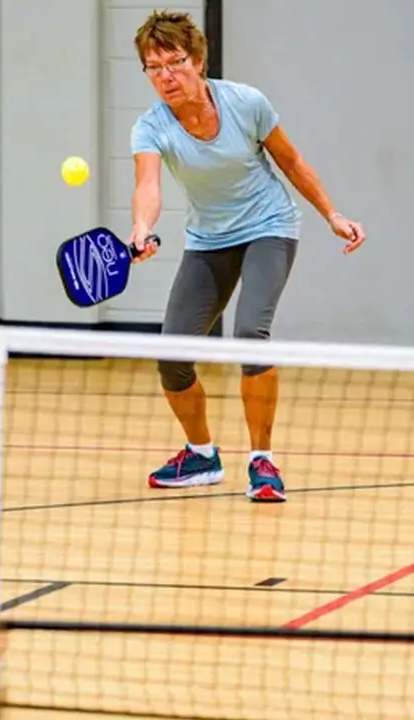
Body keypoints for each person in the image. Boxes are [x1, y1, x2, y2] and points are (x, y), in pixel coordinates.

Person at [127, 11, 366, 503]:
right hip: (208, 239)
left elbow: (291, 160)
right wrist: (142, 228)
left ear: (197, 60)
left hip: (268, 227)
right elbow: (147, 185)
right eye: (153, 68)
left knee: (250, 334)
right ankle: (201, 455)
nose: (165, 77)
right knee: (172, 357)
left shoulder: (245, 102)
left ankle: (263, 461)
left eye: (174, 63)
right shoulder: (151, 127)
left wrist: (332, 214)